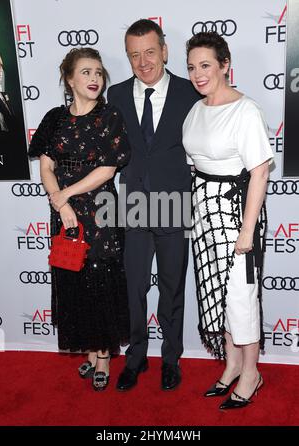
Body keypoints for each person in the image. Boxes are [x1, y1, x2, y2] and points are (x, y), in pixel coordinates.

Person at [28, 47, 131, 391]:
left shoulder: (109, 116)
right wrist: (60, 205)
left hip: (99, 212)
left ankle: (103, 356)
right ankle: (89, 350)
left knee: (100, 282)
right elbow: (46, 166)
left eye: (99, 73)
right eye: (86, 72)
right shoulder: (54, 118)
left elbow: (108, 168)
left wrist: (65, 195)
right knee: (76, 281)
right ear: (69, 79)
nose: (94, 79)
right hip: (65, 214)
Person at [183, 32, 274, 410]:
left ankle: (252, 373)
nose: (198, 74)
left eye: (206, 65)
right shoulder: (197, 108)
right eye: (191, 67)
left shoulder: (245, 110)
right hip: (204, 216)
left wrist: (247, 231)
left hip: (238, 217)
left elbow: (260, 173)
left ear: (225, 65)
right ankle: (232, 362)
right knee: (216, 295)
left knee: (240, 297)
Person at [107, 19, 199, 391]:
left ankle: (171, 358)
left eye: (149, 52)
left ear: (164, 50)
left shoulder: (189, 91)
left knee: (172, 287)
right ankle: (136, 357)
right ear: (127, 58)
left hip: (175, 203)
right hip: (131, 206)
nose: (143, 62)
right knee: (133, 288)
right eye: (134, 55)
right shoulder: (114, 95)